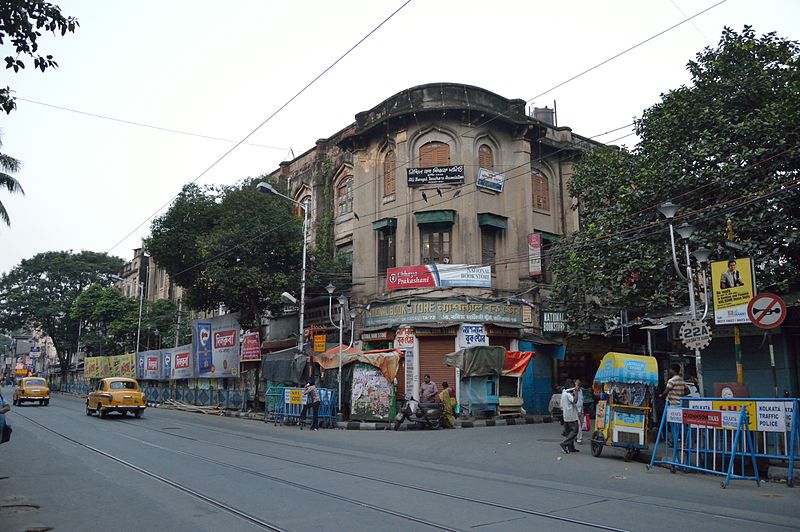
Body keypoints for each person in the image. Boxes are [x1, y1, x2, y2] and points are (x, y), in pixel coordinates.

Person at [559, 379, 580, 454]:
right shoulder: (568, 394)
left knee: (569, 432)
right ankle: (564, 444)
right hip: (571, 416)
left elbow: (561, 406)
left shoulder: (563, 393)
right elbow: (575, 401)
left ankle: (571, 448)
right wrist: (576, 391)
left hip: (566, 415)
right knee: (575, 431)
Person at [575, 378, 585, 444]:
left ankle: (576, 436)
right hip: (575, 409)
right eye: (577, 384)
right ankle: (579, 438)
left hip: (581, 409)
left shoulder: (581, 390)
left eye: (579, 384)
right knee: (578, 425)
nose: (578, 385)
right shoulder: (573, 390)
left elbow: (581, 400)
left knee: (580, 424)